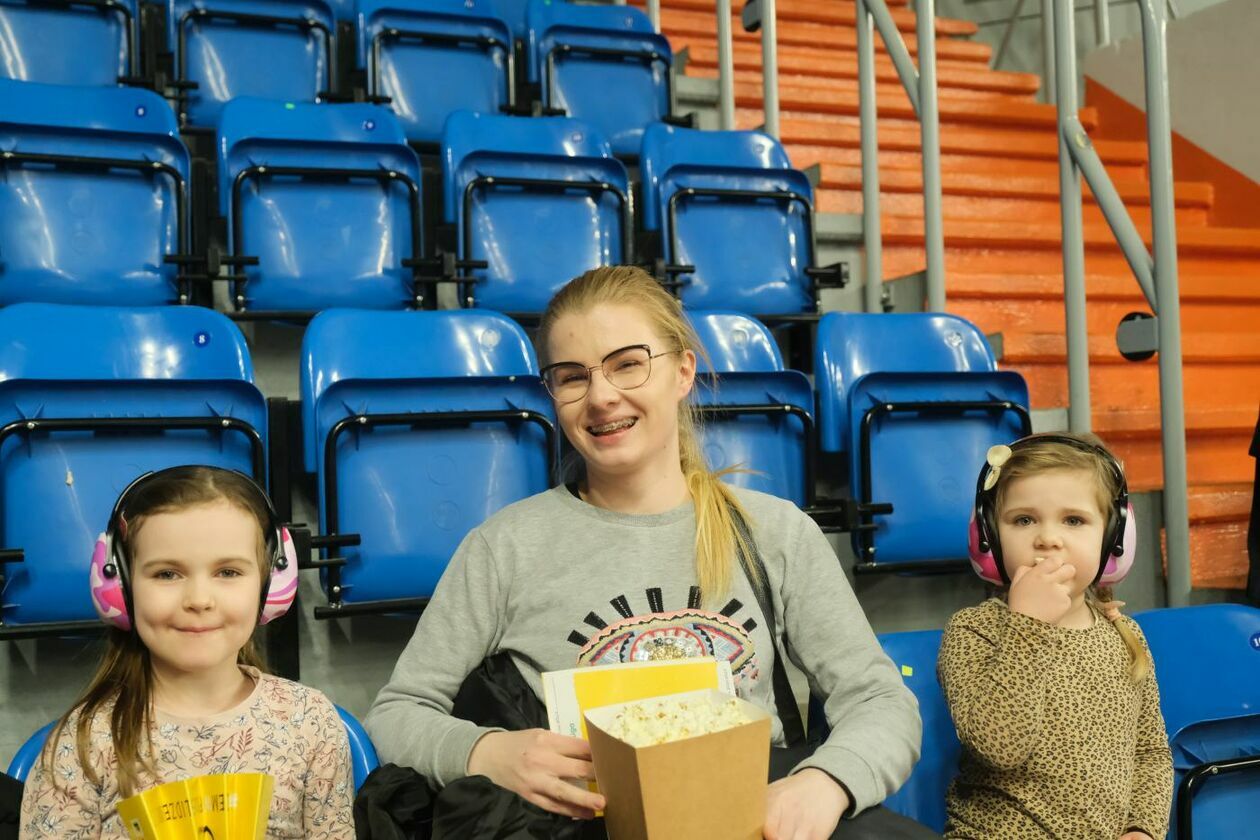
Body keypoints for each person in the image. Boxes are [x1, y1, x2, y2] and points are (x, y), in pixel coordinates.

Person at [367, 265, 931, 839]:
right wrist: (488, 752)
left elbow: (880, 701)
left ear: (683, 371)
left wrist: (825, 783)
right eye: (571, 377)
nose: (602, 396)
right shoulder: (503, 547)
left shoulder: (775, 532)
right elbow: (397, 712)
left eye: (628, 363)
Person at [19, 466, 355, 839]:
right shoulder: (82, 744)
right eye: (167, 574)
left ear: (272, 583)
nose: (198, 600)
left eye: (228, 572)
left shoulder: (310, 722)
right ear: (119, 587)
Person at [938, 433, 1173, 839]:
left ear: (1114, 538)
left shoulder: (1124, 634)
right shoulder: (973, 631)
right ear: (989, 537)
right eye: (1023, 520)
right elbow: (1000, 747)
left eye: (1074, 520)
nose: (1047, 538)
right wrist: (1028, 625)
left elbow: (1150, 753)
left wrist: (1143, 830)